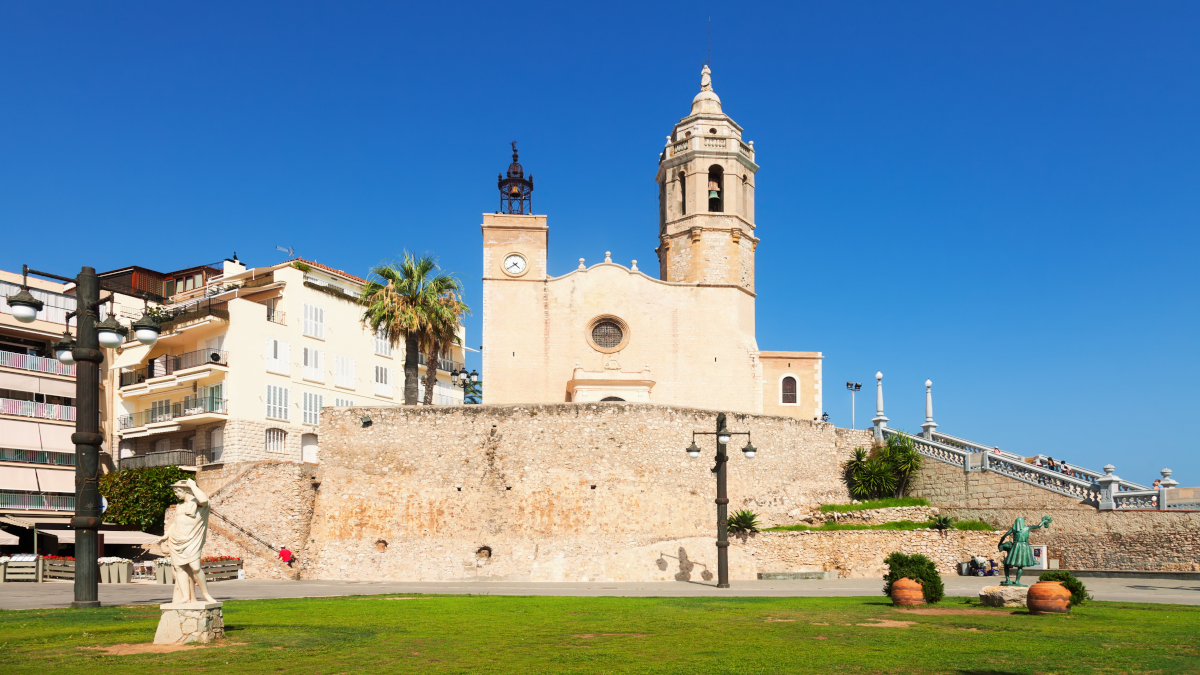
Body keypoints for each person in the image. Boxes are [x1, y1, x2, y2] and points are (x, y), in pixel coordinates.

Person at [156, 478, 216, 604]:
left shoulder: (199, 505)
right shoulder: (180, 506)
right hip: (176, 539)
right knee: (179, 568)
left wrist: (193, 485)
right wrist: (165, 536)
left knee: (196, 567)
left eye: (177, 491)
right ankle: (185, 597)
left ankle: (206, 594)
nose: (176, 494)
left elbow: (204, 500)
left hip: (191, 540)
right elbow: (175, 523)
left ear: (186, 491)